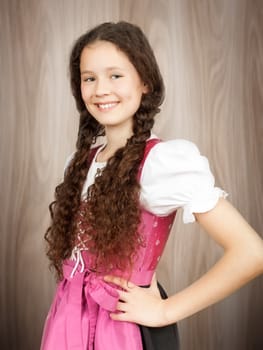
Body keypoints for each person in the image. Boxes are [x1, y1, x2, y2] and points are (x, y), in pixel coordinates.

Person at [41, 21, 263, 350]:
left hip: (119, 330)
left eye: (115, 75)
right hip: (66, 320)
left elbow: (251, 253)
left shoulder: (161, 163)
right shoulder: (80, 162)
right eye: (90, 78)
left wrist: (164, 310)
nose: (101, 89)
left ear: (144, 81)